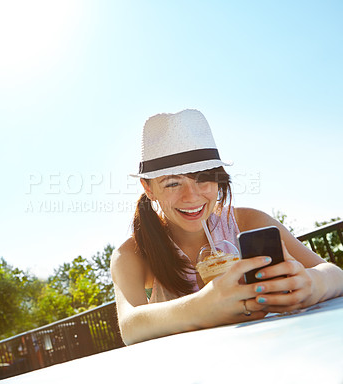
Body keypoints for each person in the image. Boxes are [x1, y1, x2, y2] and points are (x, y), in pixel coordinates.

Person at [110, 109, 343, 345]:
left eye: (203, 178)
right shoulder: (133, 253)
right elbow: (130, 327)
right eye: (172, 183)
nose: (191, 196)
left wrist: (312, 284)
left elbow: (336, 275)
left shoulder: (249, 223)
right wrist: (203, 306)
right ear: (149, 189)